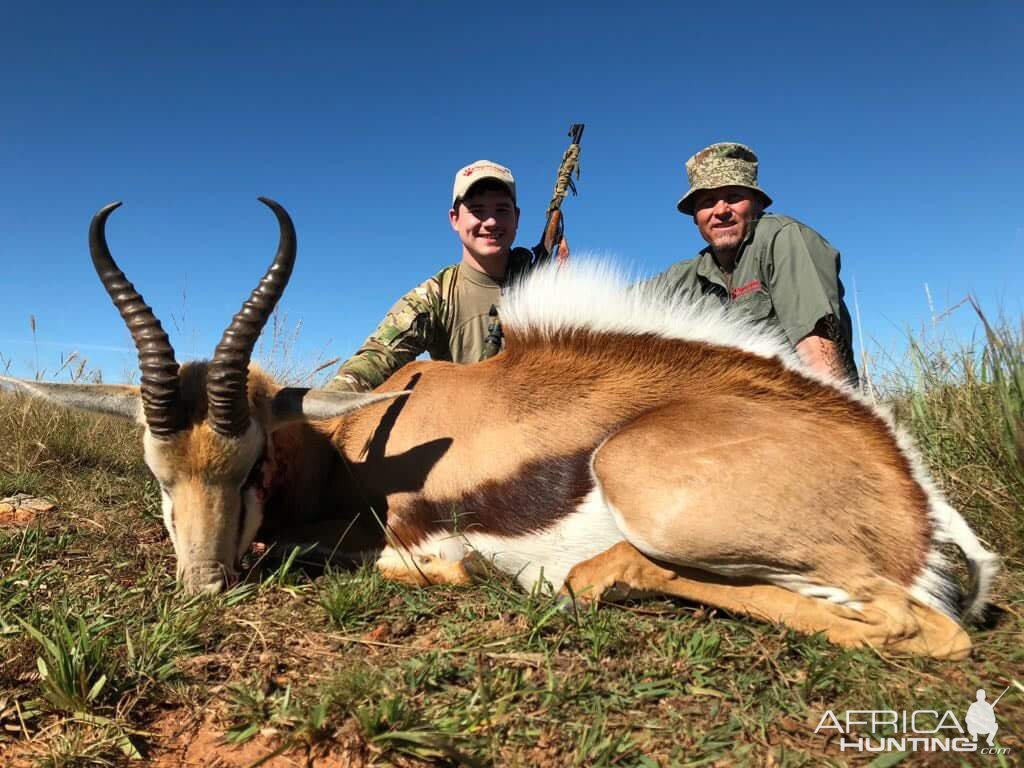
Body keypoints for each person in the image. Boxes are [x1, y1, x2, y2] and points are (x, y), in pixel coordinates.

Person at [652, 142, 858, 384]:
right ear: (696, 217)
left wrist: (829, 418)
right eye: (707, 201)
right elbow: (609, 306)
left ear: (757, 204)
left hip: (799, 405)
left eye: (733, 197)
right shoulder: (685, 276)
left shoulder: (784, 239)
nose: (720, 210)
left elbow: (819, 354)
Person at [328, 160, 535, 392]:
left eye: (502, 210)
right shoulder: (435, 295)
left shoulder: (544, 283)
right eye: (477, 210)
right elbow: (379, 355)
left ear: (516, 217)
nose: (490, 222)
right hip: (469, 422)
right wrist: (334, 398)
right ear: (454, 218)